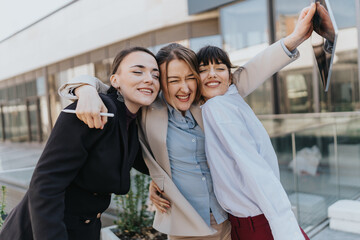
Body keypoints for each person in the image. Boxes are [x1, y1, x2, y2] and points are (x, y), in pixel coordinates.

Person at [58, 4, 316, 239]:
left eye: (190, 77)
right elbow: (111, 85)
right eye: (173, 80)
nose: (184, 88)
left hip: (226, 222)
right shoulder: (149, 108)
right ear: (160, 83)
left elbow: (245, 73)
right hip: (183, 227)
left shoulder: (206, 103)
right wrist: (85, 89)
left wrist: (293, 39)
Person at [0, 47, 159, 240]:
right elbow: (45, 186)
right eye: (137, 71)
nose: (149, 79)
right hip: (41, 231)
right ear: (115, 80)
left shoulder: (132, 124)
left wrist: (159, 181)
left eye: (155, 75)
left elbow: (153, 164)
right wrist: (85, 88)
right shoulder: (94, 110)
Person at [196, 43, 310, 240]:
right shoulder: (228, 104)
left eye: (220, 68)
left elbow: (254, 168)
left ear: (230, 77)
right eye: (203, 70)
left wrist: (284, 225)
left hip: (255, 223)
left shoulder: (218, 107)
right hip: (251, 221)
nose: (212, 74)